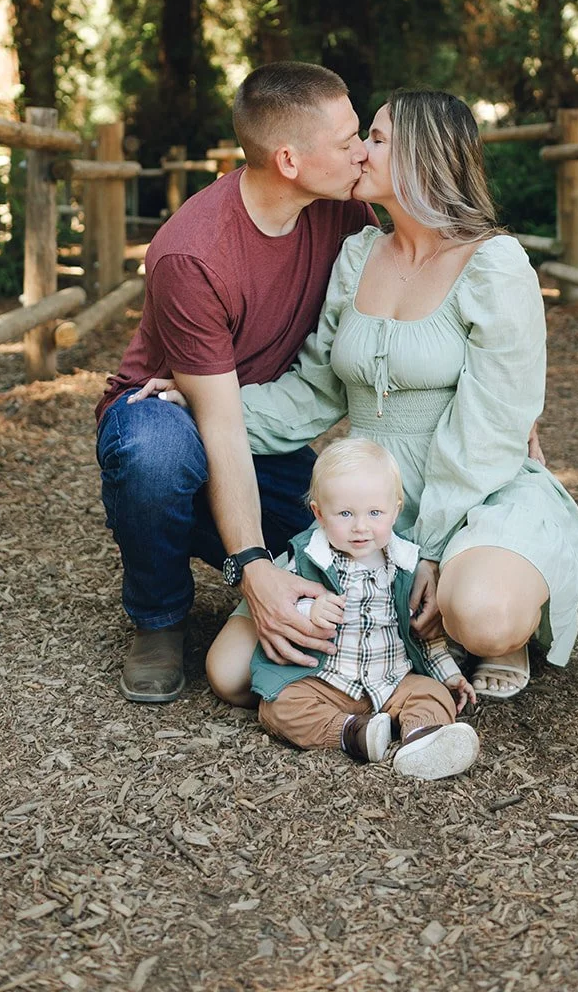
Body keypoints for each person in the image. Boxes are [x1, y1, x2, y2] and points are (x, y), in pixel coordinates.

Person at [201, 88, 578, 708]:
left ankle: (488, 627)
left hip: (474, 491)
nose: (358, 151)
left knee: (483, 615)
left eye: (375, 139)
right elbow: (316, 390)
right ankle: (410, 645)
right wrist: (206, 401)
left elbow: (494, 426)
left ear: (422, 157)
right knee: (232, 672)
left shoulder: (495, 264)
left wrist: (429, 549)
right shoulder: (357, 256)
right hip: (369, 501)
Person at [94, 61, 379, 704]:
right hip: (168, 410)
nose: (361, 153)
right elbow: (218, 422)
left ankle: (209, 539)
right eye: (346, 141)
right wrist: (251, 566)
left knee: (345, 544)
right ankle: (158, 617)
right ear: (289, 160)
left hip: (264, 423)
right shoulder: (192, 252)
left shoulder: (346, 211)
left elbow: (432, 267)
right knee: (159, 456)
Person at [252, 438, 480, 781]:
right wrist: (308, 609)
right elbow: (282, 604)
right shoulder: (307, 558)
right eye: (345, 514)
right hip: (328, 680)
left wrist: (448, 673)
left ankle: (421, 738)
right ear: (318, 513)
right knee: (277, 705)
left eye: (375, 513)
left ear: (396, 510)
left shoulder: (404, 565)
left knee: (432, 693)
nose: (361, 526)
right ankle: (351, 733)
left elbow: (424, 634)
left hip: (393, 680)